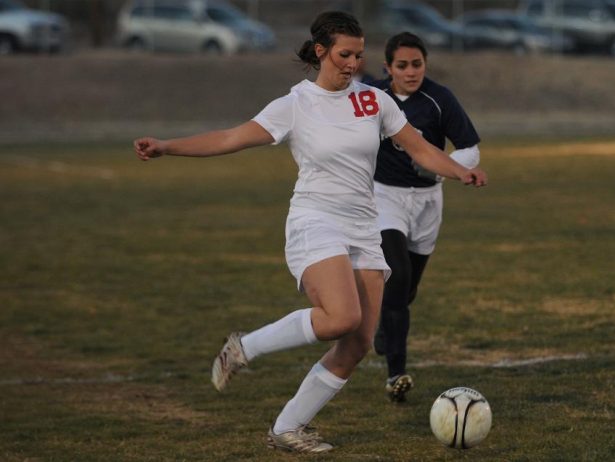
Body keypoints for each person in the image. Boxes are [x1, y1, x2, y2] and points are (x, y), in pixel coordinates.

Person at [133, 13, 487, 454]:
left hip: (364, 226)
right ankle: (245, 346)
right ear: (320, 51)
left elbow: (419, 148)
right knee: (341, 317)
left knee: (357, 345)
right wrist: (168, 146)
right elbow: (229, 138)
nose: (353, 64)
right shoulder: (296, 104)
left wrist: (459, 171)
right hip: (315, 219)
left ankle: (287, 428)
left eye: (359, 55)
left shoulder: (374, 101)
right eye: (344, 55)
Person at [370, 32, 483, 402]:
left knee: (407, 289)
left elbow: (469, 148)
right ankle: (396, 375)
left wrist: (443, 170)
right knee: (397, 275)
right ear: (388, 68)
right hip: (384, 197)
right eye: (402, 65)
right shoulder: (371, 96)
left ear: (425, 64)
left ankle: (386, 329)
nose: (410, 71)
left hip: (428, 203)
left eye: (416, 64)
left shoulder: (440, 98)